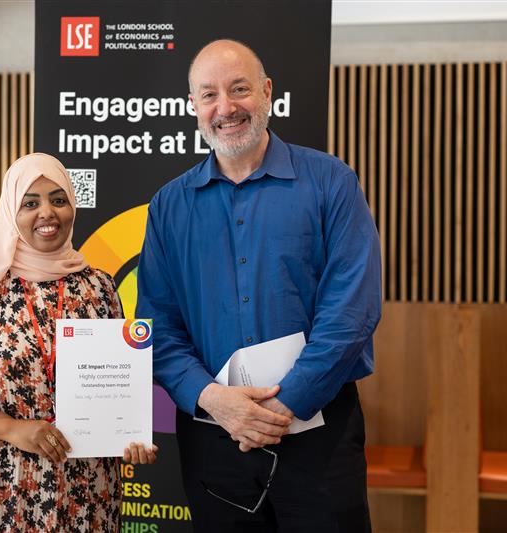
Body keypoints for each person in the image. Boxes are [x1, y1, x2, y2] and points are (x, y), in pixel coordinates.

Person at [136, 39, 381, 531]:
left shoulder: (332, 183)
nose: (225, 108)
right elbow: (156, 329)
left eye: (239, 89)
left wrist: (286, 404)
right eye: (209, 95)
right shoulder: (168, 207)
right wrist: (212, 399)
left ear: (267, 92)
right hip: (214, 437)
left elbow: (351, 312)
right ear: (193, 107)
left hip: (319, 436)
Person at [0, 153, 157, 532]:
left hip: (83, 497)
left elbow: (115, 383)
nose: (48, 212)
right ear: (11, 211)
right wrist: (10, 428)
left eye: (59, 200)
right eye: (31, 203)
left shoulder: (99, 288)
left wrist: (129, 435)